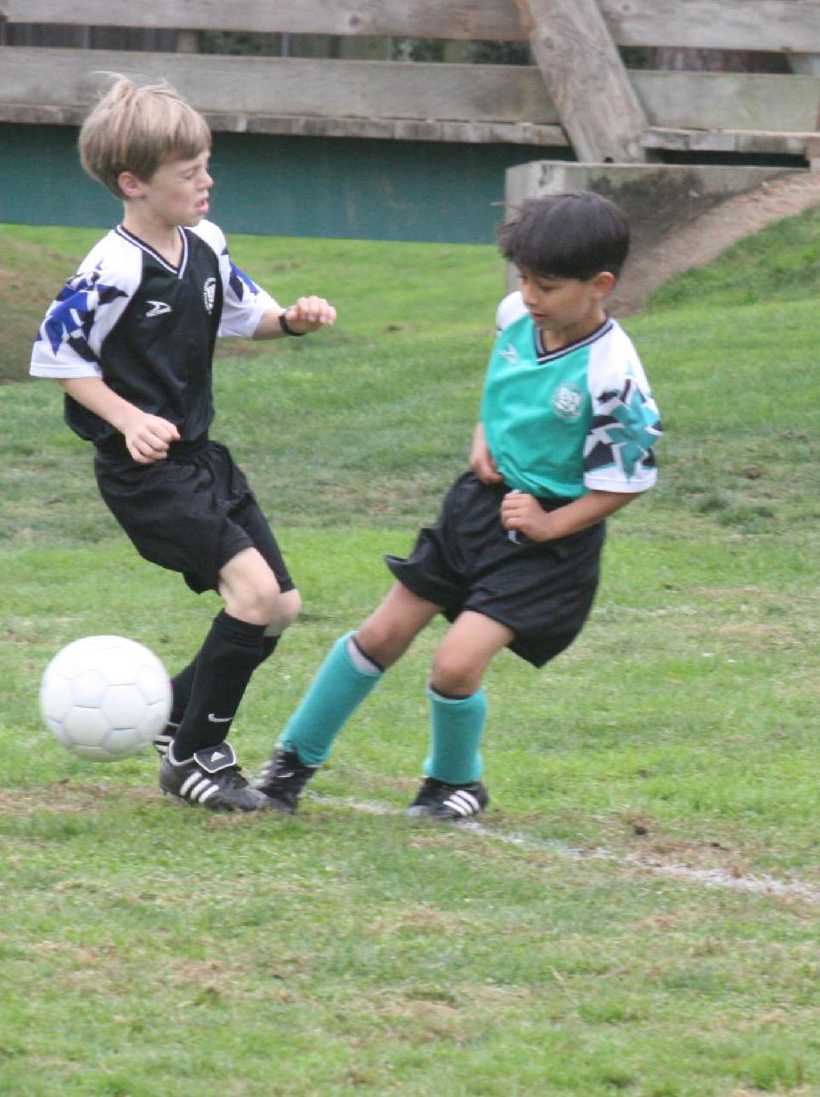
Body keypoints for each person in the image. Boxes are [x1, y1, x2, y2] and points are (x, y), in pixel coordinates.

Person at [254, 190, 662, 821]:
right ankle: (290, 765)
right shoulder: (515, 316)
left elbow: (628, 480)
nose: (529, 296)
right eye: (523, 278)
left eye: (547, 286)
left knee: (454, 666)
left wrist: (550, 523)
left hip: (544, 541)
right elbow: (505, 388)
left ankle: (455, 784)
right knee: (380, 634)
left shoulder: (615, 375)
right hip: (475, 509)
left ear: (599, 286)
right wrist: (484, 436)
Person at [31, 75, 337, 814]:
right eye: (188, 172)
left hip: (202, 460)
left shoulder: (205, 242)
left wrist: (291, 321)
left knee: (281, 605)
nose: (206, 182)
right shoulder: (111, 267)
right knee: (252, 593)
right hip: (144, 472)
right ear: (133, 184)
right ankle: (195, 754)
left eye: (206, 166)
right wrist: (127, 418)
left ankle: (174, 712)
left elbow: (246, 313)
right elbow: (56, 353)